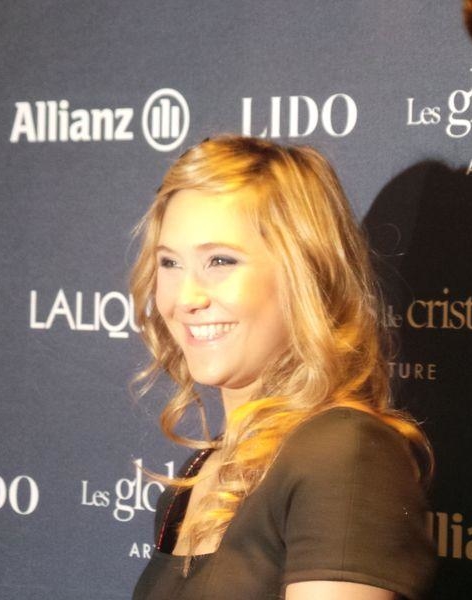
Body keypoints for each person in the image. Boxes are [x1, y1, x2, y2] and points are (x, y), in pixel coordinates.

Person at [129, 136, 436, 600]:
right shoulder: (199, 474)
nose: (186, 297)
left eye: (220, 261)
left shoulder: (342, 455)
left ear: (303, 273)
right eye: (169, 262)